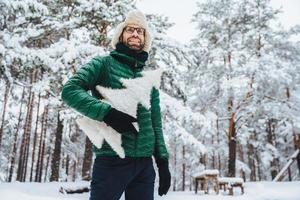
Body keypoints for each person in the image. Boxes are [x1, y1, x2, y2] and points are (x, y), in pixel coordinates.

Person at [61, 10, 170, 200]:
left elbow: (155, 123)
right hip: (111, 160)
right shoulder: (103, 64)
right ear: (121, 35)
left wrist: (162, 161)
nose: (136, 34)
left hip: (144, 166)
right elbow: (70, 90)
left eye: (140, 31)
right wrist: (107, 113)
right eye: (130, 30)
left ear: (145, 39)